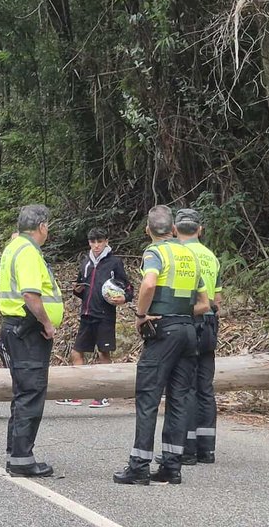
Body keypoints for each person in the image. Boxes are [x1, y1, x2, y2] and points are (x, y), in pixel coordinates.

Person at [114, 205, 209, 486]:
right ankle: (172, 466)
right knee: (179, 399)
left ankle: (139, 466)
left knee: (148, 397)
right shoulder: (190, 256)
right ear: (174, 229)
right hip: (188, 331)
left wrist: (142, 315)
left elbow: (148, 284)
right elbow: (205, 304)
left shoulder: (154, 252)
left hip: (163, 332)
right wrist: (180, 313)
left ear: (147, 230)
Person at [0, 205, 64, 477]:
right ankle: (22, 458)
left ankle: (16, 452)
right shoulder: (27, 252)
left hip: (17, 329)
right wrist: (47, 323)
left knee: (23, 392)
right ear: (43, 226)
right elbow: (31, 295)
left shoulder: (15, 247)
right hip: (28, 331)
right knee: (31, 393)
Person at [57, 227, 133, 408]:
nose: (96, 245)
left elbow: (128, 288)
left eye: (100, 241)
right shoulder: (86, 262)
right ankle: (77, 393)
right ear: (89, 243)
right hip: (86, 314)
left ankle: (103, 395)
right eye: (93, 242)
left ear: (106, 241)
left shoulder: (114, 262)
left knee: (103, 353)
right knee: (76, 353)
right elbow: (80, 287)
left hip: (105, 315)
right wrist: (78, 291)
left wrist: (124, 298)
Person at [170, 208, 220, 464]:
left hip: (188, 321)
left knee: (185, 385)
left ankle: (186, 449)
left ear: (175, 229)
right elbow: (217, 298)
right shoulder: (211, 257)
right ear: (200, 229)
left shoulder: (178, 255)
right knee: (205, 386)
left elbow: (179, 295)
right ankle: (207, 449)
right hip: (211, 323)